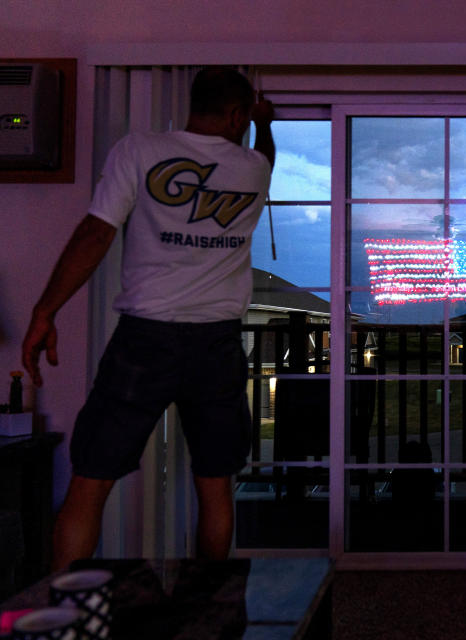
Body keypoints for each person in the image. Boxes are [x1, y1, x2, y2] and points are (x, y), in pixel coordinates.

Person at [21, 68, 275, 571]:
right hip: (216, 343)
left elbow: (95, 235)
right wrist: (265, 125)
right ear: (236, 115)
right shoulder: (252, 170)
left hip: (145, 337)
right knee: (216, 484)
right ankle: (207, 609)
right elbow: (267, 154)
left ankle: (62, 614)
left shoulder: (139, 150)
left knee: (90, 482)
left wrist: (45, 310)